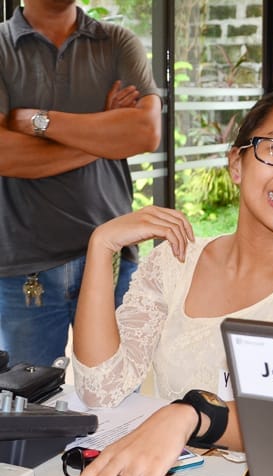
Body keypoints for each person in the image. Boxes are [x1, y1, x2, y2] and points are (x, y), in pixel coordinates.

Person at [68, 89, 273, 476]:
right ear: (237, 163)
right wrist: (100, 245)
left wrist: (186, 415)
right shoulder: (175, 261)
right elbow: (100, 389)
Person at [0, 0, 162, 366]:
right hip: (24, 269)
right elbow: (4, 155)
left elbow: (145, 133)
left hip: (114, 259)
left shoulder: (117, 41)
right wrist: (103, 129)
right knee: (28, 408)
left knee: (118, 397)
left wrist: (35, 121)